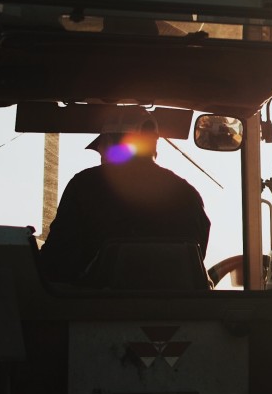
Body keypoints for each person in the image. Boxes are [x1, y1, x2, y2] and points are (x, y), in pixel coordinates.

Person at [39, 108, 211, 286]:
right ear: (154, 145)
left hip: (95, 309)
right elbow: (196, 258)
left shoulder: (84, 185)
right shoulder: (187, 193)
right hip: (178, 310)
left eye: (101, 147)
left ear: (109, 142)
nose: (100, 153)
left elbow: (57, 261)